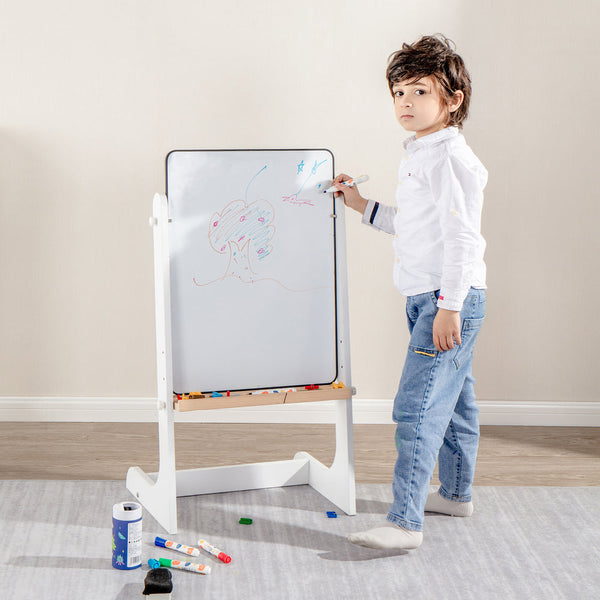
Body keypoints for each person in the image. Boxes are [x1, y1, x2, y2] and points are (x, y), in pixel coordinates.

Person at [334, 34, 488, 550]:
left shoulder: (449, 159)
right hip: (428, 298)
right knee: (455, 399)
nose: (405, 102)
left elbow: (465, 238)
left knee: (416, 407)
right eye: (398, 92)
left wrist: (450, 306)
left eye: (419, 91)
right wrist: (359, 204)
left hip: (445, 300)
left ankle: (404, 523)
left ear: (452, 99)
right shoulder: (422, 154)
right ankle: (457, 494)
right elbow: (417, 226)